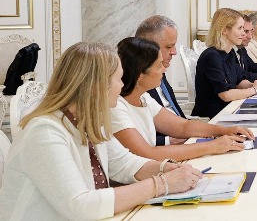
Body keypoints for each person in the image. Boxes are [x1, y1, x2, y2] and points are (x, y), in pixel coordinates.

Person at [0, 42, 202, 220]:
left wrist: (166, 168)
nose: (122, 86)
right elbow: (80, 205)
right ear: (97, 85)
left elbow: (123, 163)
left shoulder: (88, 120)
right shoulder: (44, 133)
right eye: (119, 79)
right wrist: (161, 184)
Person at [112, 37, 255, 161]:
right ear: (140, 74)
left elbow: (182, 126)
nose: (164, 69)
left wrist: (223, 131)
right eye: (159, 66)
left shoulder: (143, 97)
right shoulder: (117, 107)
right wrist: (212, 146)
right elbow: (148, 153)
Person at [192, 8, 257, 118]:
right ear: (224, 30)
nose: (243, 33)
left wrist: (256, 84)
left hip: (229, 111)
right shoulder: (211, 56)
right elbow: (226, 94)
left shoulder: (230, 53)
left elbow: (240, 81)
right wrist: (255, 90)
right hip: (212, 118)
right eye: (240, 28)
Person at [135, 15, 186, 145]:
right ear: (149, 48)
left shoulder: (160, 73)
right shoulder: (137, 84)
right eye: (169, 47)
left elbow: (181, 122)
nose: (174, 52)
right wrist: (167, 141)